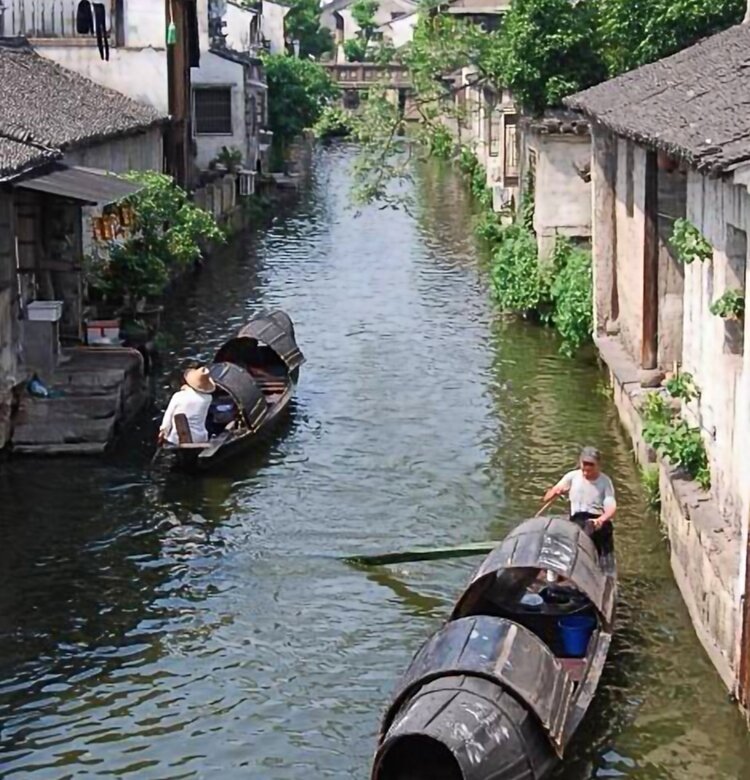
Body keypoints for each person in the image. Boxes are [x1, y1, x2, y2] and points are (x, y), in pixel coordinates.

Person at [543, 446, 616, 558]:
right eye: (584, 466)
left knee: (591, 531)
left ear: (598, 465)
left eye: (591, 466)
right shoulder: (572, 476)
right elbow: (546, 498)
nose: (586, 471)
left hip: (596, 521)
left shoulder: (605, 482)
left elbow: (611, 507)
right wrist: (554, 492)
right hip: (577, 520)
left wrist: (601, 520)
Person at [158, 366, 216, 446]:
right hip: (199, 439)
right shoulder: (208, 398)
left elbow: (167, 420)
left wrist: (163, 433)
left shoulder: (178, 396)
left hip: (176, 439)